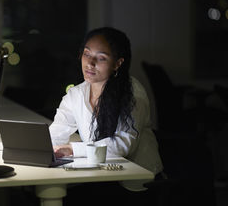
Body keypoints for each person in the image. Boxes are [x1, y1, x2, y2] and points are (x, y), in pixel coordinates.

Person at [49, 27, 163, 191]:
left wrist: (73, 149)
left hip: (136, 183)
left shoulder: (133, 94)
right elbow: (56, 133)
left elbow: (122, 145)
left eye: (101, 58)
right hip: (99, 179)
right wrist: (39, 147)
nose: (90, 63)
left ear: (117, 64)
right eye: (87, 54)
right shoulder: (76, 94)